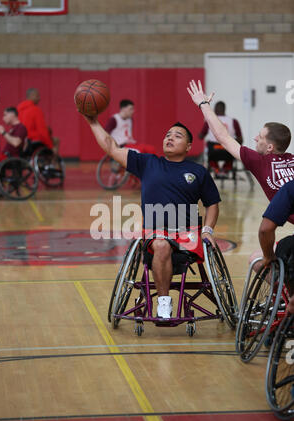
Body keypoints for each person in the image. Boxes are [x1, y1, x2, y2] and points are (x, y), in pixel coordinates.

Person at [83, 114, 221, 319]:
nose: (170, 138)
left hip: (187, 235)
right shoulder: (147, 162)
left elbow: (212, 204)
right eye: (168, 135)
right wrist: (93, 122)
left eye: (178, 136)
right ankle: (164, 303)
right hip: (155, 234)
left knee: (165, 243)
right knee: (161, 244)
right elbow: (111, 147)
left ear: (189, 146)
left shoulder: (198, 171)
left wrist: (208, 230)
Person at [187, 80, 294, 225]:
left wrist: (203, 104)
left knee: (269, 245)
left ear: (270, 148)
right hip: (225, 155)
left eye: (260, 137)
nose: (255, 138)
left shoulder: (260, 161)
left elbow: (223, 137)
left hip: (214, 151)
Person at [198, 101, 243, 176]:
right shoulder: (233, 121)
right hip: (228, 151)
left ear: (215, 109)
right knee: (232, 150)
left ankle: (216, 168)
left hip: (213, 150)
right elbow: (241, 140)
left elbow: (201, 136)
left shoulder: (209, 120)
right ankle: (226, 168)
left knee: (209, 151)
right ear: (224, 109)